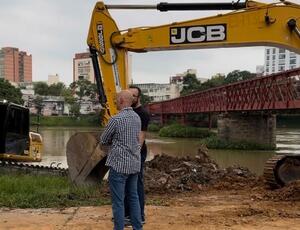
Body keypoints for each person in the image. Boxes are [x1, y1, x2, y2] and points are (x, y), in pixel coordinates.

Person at [100, 90, 143, 230]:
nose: (115, 102)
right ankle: (138, 227)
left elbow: (104, 140)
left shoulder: (116, 119)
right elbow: (136, 139)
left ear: (122, 101)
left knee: (118, 202)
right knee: (133, 197)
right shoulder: (137, 118)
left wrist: (114, 140)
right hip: (134, 164)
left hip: (119, 166)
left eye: (117, 99)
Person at [124, 86, 150, 225]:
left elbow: (141, 136)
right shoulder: (128, 112)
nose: (131, 98)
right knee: (127, 183)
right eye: (129, 95)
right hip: (128, 152)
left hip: (137, 152)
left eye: (134, 95)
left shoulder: (143, 114)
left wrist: (135, 154)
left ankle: (139, 216)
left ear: (138, 97)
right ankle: (127, 214)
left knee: (137, 183)